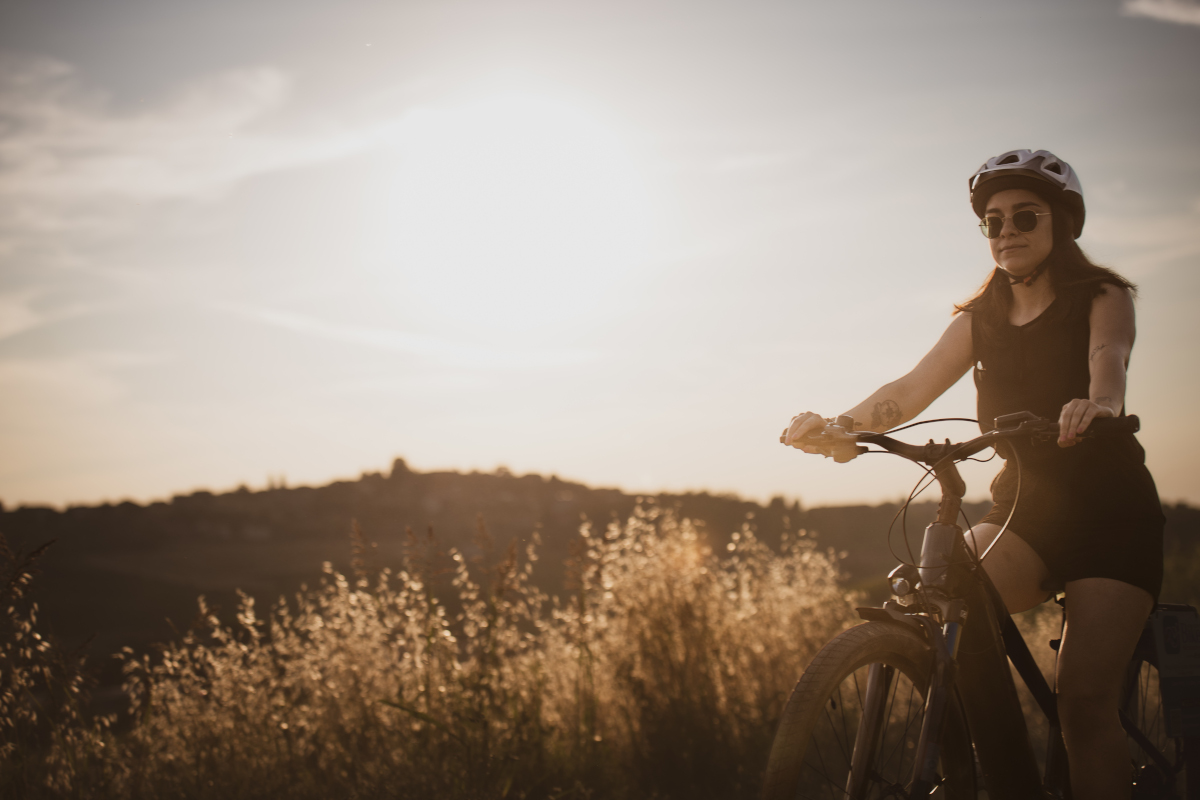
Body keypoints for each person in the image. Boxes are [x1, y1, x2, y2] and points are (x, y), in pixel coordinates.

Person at [782, 149, 1165, 800]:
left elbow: (1110, 364)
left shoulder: (1100, 296)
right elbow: (910, 388)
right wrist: (842, 427)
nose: (1007, 231)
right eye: (992, 222)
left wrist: (1096, 406)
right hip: (1027, 510)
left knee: (1082, 706)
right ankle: (999, 771)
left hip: (1110, 515)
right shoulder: (979, 319)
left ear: (1061, 224)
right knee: (950, 590)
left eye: (1024, 216)